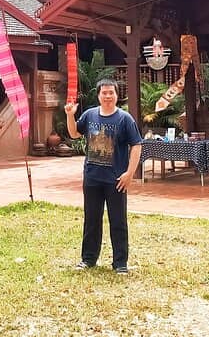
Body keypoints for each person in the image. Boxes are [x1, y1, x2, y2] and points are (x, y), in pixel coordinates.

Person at [65, 78, 142, 274]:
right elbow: (74, 134)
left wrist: (129, 173)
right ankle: (88, 259)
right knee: (91, 219)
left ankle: (120, 263)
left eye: (111, 93)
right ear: (98, 95)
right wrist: (69, 115)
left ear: (117, 96)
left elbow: (136, 145)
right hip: (92, 177)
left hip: (116, 180)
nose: (108, 96)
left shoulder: (125, 119)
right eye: (104, 93)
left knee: (118, 221)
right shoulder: (90, 115)